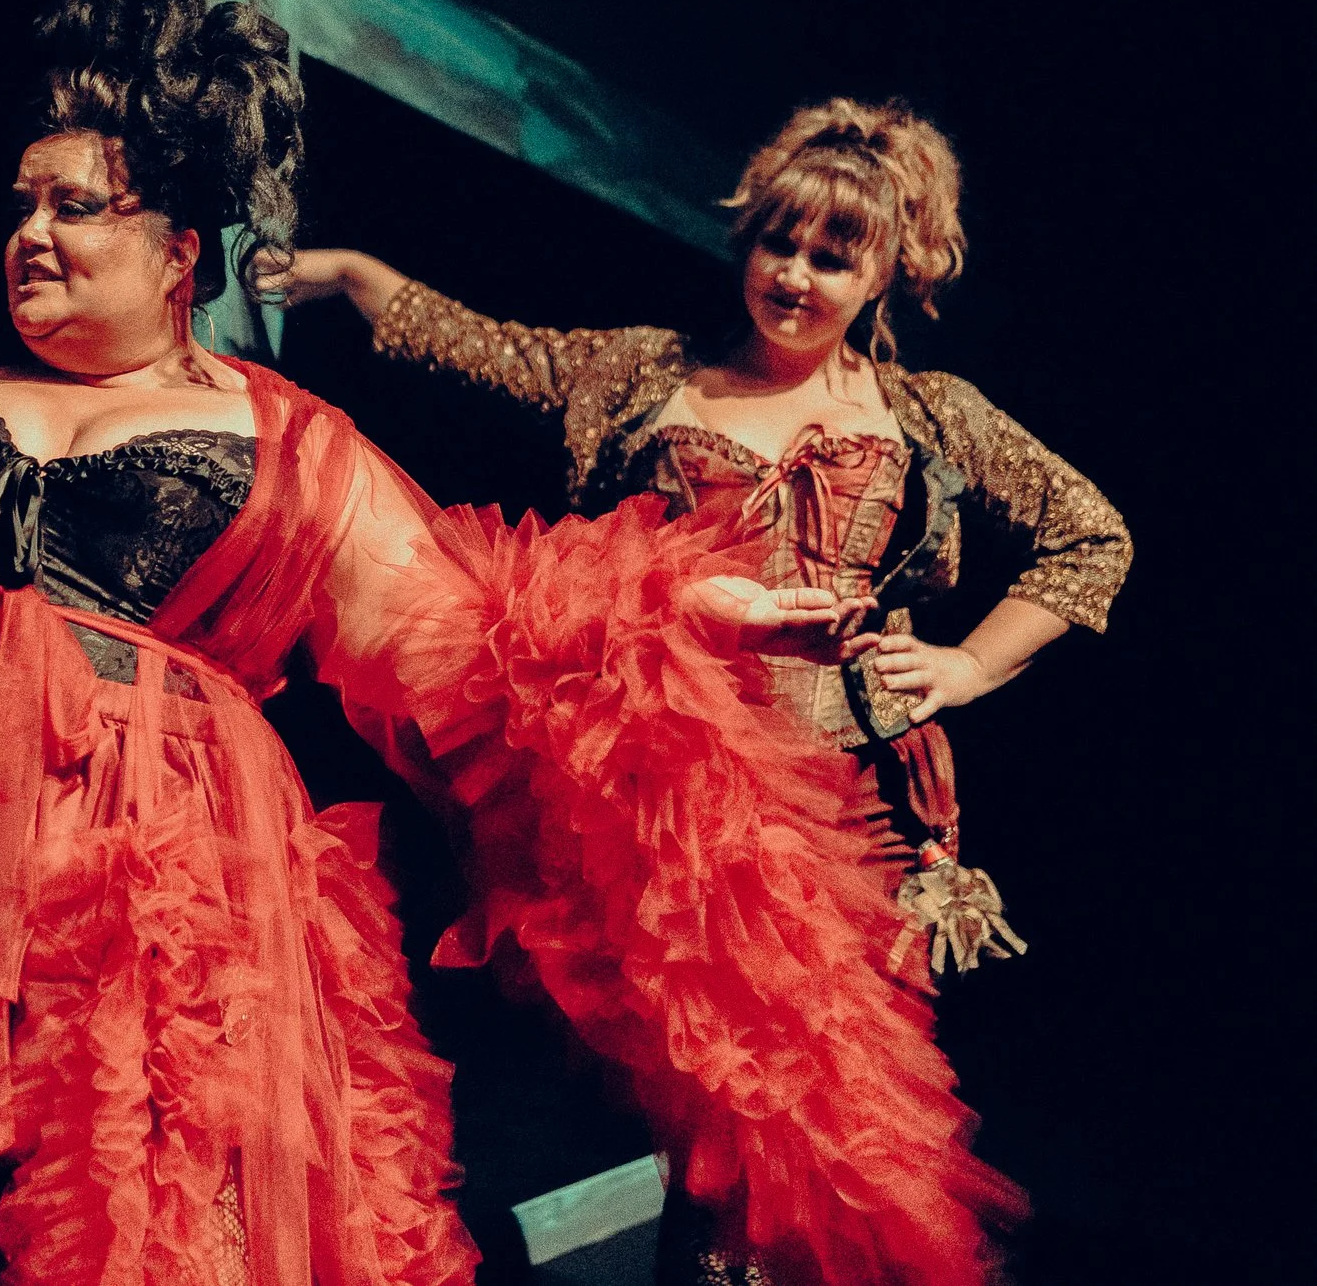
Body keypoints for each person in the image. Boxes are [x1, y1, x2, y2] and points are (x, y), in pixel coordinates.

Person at [0, 0, 1019, 1286]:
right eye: (21, 202)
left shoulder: (284, 443)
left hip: (136, 867)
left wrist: (694, 595)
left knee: (119, 1192)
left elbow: (469, 627)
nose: (29, 231)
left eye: (73, 205)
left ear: (179, 244)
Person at [285, 99, 1129, 1281]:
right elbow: (474, 340)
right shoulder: (648, 374)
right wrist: (347, 270)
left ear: (888, 272)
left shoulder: (927, 414)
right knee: (718, 1115)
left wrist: (964, 664)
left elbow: (1090, 536)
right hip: (682, 801)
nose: (792, 274)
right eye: (778, 243)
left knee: (840, 1112)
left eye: (832, 257)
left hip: (854, 808)